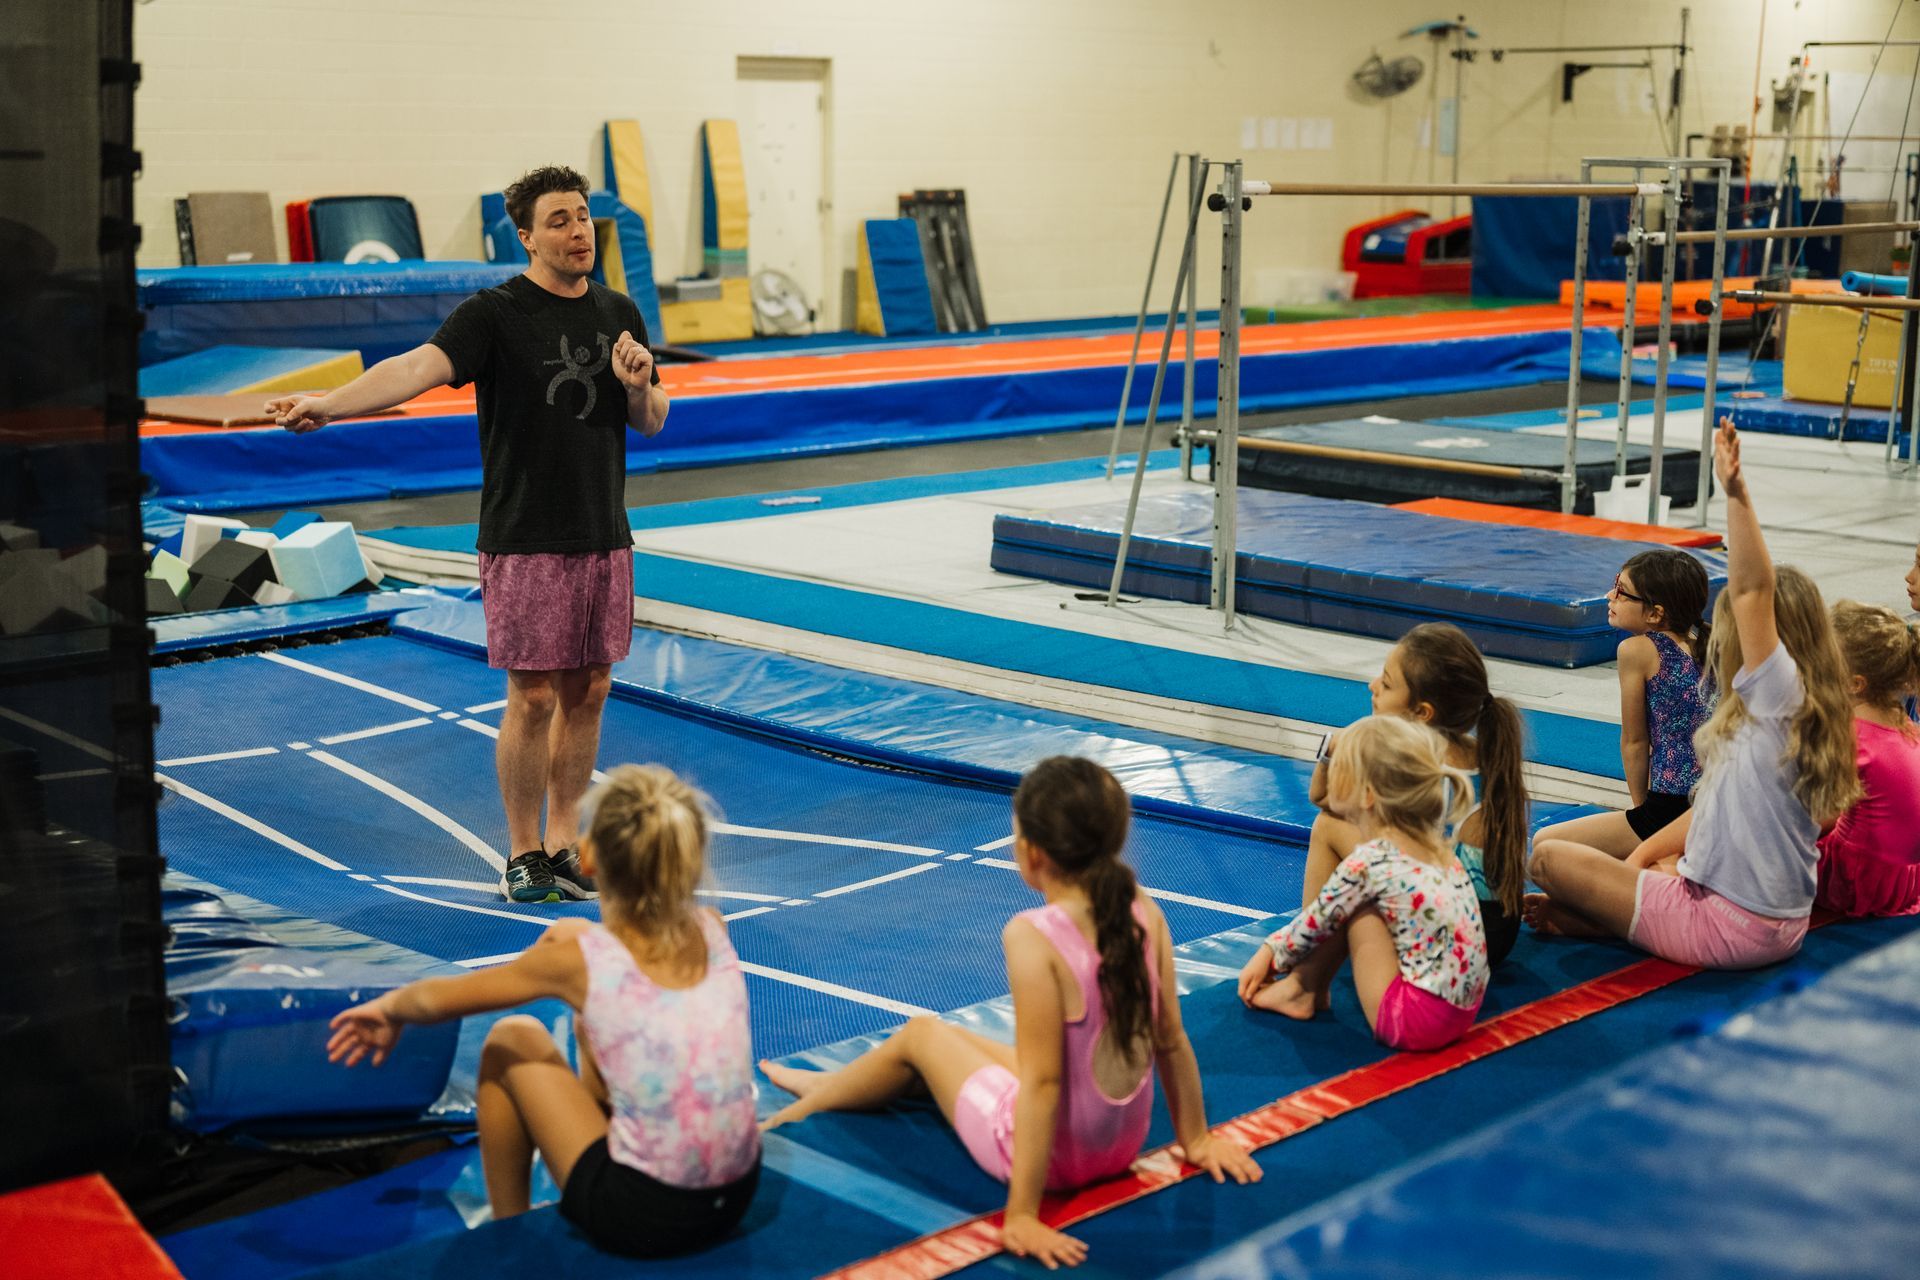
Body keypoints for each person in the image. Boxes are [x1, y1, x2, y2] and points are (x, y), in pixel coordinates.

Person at [266, 165, 669, 903]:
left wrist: (642, 385)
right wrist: (330, 404)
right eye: (559, 221)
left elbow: (650, 420)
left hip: (603, 532)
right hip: (524, 534)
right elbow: (415, 367)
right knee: (535, 696)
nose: (577, 231)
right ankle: (522, 852)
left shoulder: (619, 310)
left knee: (591, 690)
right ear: (525, 236)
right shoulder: (494, 313)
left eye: (582, 217)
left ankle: (564, 841)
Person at [759, 757, 1258, 1270]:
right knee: (964, 1045)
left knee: (923, 1035)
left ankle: (789, 1115)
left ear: (1031, 852)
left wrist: (1022, 1214)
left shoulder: (1033, 933)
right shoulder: (1140, 906)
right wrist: (1195, 1139)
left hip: (1053, 1162)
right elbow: (1170, 1040)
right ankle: (828, 1085)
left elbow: (1042, 1084)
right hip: (1121, 1145)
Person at [326, 765, 759, 1257]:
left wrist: (387, 1010)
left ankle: (508, 1228)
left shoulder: (581, 964)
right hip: (738, 1191)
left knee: (514, 1037)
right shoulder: (710, 926)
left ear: (589, 856)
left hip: (648, 1215)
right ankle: (610, 1139)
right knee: (581, 962)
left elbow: (434, 1000)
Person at [1525, 419, 1861, 969]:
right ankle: (1615, 908)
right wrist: (1643, 865)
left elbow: (1754, 589)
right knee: (1652, 869)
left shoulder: (1774, 702)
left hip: (1723, 928)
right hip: (1785, 924)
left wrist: (1735, 492)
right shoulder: (1815, 718)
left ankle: (1598, 922)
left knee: (1549, 858)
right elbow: (1710, 813)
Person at [1240, 716, 1489, 1051]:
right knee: (1363, 898)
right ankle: (1302, 988)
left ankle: (1300, 991)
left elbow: (1317, 920)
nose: (1332, 775)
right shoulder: (1437, 848)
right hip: (1463, 1012)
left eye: (1340, 768)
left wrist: (1269, 953)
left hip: (1413, 1021)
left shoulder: (1371, 861)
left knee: (1355, 905)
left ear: (1368, 794)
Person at [1302, 622, 1528, 966]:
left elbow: (1322, 798)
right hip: (1498, 932)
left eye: (1387, 684)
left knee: (1327, 826)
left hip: (1452, 937)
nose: (1372, 686)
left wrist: (1335, 746)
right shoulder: (1488, 754)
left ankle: (1306, 959)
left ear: (1421, 713)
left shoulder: (1407, 763)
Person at [1532, 550, 1713, 857]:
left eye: (1621, 591)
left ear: (1655, 613)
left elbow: (1634, 742)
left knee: (1545, 844)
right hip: (1717, 801)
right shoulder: (1710, 642)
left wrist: (1642, 816)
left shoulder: (1637, 650)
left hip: (1669, 808)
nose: (1609, 595)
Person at [1814, 601, 1920, 917]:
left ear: (1854, 683)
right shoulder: (1907, 725)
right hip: (1906, 879)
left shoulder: (1851, 735)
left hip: (1855, 881)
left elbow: (1811, 815)